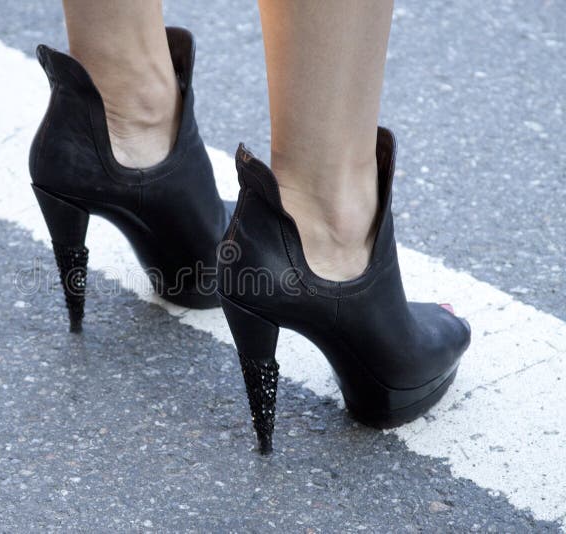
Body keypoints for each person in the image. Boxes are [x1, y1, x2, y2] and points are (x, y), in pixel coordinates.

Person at [29, 0, 471, 454]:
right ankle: (327, 222)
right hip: (296, 259)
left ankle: (125, 112)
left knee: (123, 88)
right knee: (320, 200)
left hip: (70, 153)